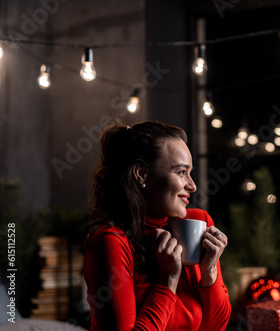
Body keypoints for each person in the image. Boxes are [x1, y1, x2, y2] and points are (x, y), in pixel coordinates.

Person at [83, 120, 231, 330]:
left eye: (190, 172)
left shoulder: (197, 224)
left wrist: (209, 273)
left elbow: (216, 326)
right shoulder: (111, 243)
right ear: (142, 174)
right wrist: (167, 281)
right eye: (181, 172)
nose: (192, 185)